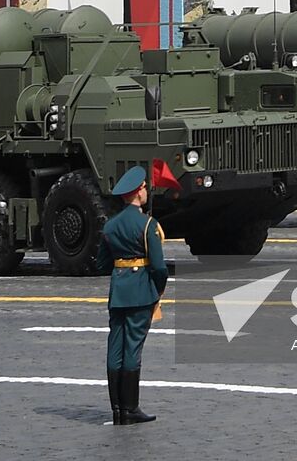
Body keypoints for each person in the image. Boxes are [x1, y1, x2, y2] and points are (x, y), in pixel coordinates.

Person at [95, 165, 167, 425]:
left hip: (118, 292)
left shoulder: (111, 226)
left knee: (115, 348)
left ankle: (117, 410)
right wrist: (156, 289)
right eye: (145, 187)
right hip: (140, 293)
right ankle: (131, 408)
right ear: (138, 192)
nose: (147, 191)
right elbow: (159, 267)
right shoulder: (148, 225)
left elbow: (102, 264)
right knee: (133, 349)